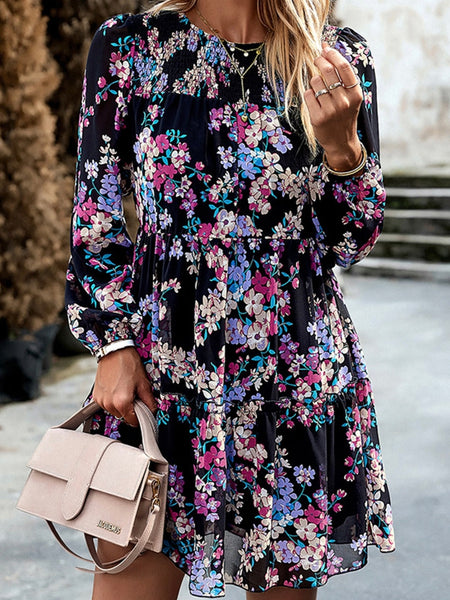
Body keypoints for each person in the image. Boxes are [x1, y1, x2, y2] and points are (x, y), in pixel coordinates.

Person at [65, 1, 395, 598]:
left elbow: (349, 241)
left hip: (292, 376)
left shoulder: (337, 57)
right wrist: (110, 341)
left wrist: (344, 149)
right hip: (164, 375)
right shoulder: (128, 47)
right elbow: (96, 218)